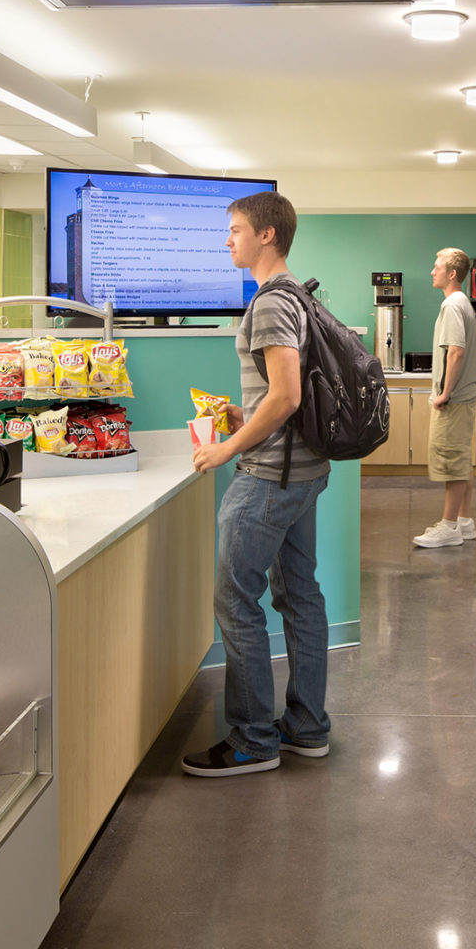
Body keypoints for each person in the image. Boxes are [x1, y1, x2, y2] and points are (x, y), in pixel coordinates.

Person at [182, 191, 332, 777]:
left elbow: (289, 394)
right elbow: (282, 395)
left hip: (268, 478)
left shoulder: (271, 303)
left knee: (236, 600)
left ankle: (251, 740)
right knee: (300, 596)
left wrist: (227, 447)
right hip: (304, 471)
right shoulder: (302, 297)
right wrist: (249, 417)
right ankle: (307, 728)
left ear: (267, 235)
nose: (229, 240)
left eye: (237, 229)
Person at [413, 247, 476, 548]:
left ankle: (449, 526)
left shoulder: (452, 305)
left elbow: (456, 351)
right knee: (461, 459)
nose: (432, 271)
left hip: (453, 401)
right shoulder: (461, 302)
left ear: (452, 274)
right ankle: (464, 521)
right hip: (464, 398)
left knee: (451, 462)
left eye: (437, 266)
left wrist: (443, 394)